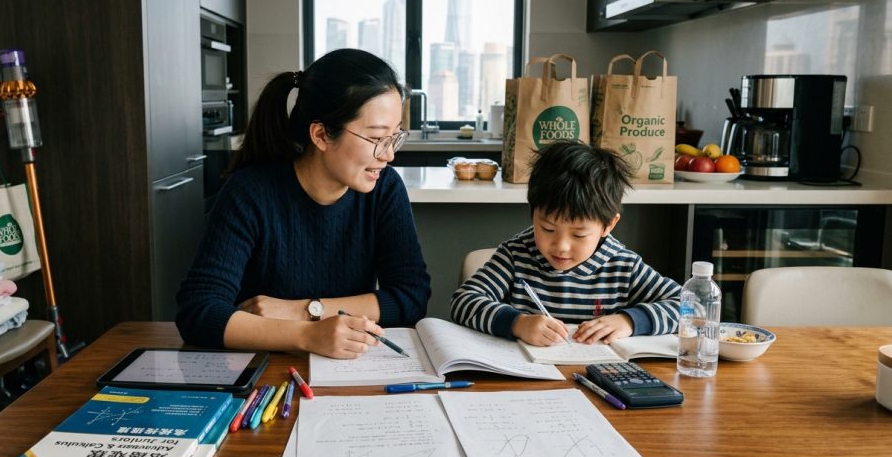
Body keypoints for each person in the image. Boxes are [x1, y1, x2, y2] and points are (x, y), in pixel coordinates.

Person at [176, 49, 431, 359]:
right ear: (321, 135)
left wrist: (305, 311)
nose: (389, 155)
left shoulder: (385, 189)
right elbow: (198, 311)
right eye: (377, 138)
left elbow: (411, 297)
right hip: (259, 368)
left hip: (347, 369)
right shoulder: (249, 192)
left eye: (395, 136)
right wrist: (309, 335)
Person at [450, 140, 680, 346]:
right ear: (533, 214)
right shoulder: (515, 256)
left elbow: (688, 307)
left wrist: (630, 321)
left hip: (601, 378)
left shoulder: (623, 266)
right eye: (548, 229)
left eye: (579, 235)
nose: (561, 246)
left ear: (608, 225)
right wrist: (517, 323)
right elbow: (463, 302)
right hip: (527, 380)